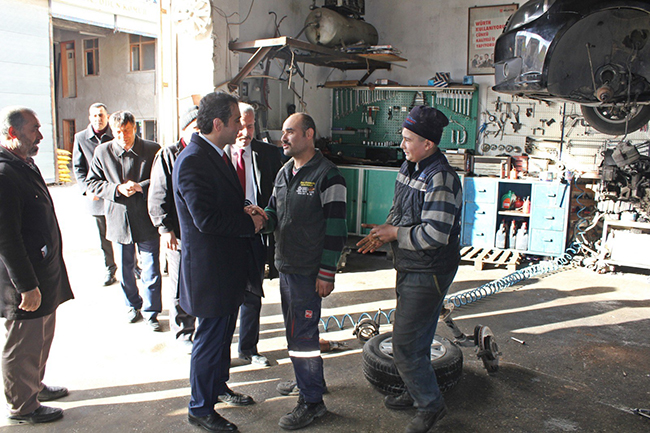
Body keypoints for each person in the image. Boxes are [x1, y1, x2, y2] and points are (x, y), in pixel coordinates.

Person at [357, 106, 463, 433]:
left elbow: (435, 235)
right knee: (419, 335)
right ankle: (415, 388)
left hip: (429, 269)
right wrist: (383, 231)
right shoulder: (409, 167)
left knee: (404, 344)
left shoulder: (440, 178)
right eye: (403, 137)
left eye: (408, 139)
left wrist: (395, 234)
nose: (402, 144)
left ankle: (431, 405)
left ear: (428, 144)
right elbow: (399, 209)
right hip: (409, 263)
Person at [173, 92, 267, 432]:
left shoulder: (216, 154)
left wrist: (244, 208)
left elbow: (220, 202)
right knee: (209, 339)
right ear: (218, 124)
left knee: (222, 336)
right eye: (235, 121)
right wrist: (248, 223)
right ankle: (200, 408)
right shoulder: (193, 160)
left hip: (226, 267)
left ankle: (217, 387)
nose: (241, 127)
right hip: (209, 271)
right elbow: (205, 219)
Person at [264, 112, 347, 430]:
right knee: (296, 332)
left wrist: (327, 271)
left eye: (290, 132)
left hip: (309, 270)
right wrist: (261, 218)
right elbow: (274, 210)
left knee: (303, 337)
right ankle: (309, 381)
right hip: (287, 266)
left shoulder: (328, 175)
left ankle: (312, 403)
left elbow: (337, 227)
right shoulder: (285, 171)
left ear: (309, 134)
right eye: (283, 133)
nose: (283, 138)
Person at [0, 107, 74, 424]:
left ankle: (34, 387)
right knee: (23, 344)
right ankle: (22, 406)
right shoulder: (4, 174)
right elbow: (6, 238)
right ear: (12, 133)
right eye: (34, 129)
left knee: (40, 338)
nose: (40, 136)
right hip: (25, 281)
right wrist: (26, 286)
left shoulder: (24, 165)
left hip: (44, 274)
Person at [86, 111, 163, 331]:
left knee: (151, 269)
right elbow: (92, 183)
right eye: (118, 132)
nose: (123, 136)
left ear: (135, 128)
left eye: (127, 131)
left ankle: (151, 312)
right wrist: (117, 189)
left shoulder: (152, 149)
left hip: (146, 217)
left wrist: (141, 186)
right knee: (125, 269)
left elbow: (162, 179)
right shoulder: (102, 151)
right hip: (118, 218)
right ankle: (132, 305)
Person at [225, 102, 283, 367]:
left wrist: (264, 218)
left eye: (250, 126)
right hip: (226, 234)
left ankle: (248, 349)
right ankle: (220, 351)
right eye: (240, 126)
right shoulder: (218, 154)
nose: (245, 133)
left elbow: (277, 194)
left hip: (256, 233)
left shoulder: (268, 154)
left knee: (252, 293)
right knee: (226, 296)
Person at [148, 105, 199, 349]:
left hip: (201, 232)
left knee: (198, 283)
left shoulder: (206, 153)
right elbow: (158, 194)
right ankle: (183, 332)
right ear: (184, 130)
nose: (199, 133)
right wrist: (164, 228)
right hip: (177, 234)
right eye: (195, 128)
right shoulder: (168, 155)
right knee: (180, 284)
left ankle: (199, 328)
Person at [72, 103, 118, 286]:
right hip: (96, 196)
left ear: (107, 117)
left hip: (116, 193)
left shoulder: (116, 134)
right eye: (95, 115)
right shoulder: (81, 138)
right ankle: (110, 269)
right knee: (104, 237)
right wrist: (87, 189)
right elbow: (78, 168)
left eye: (101, 115)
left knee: (125, 232)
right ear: (89, 117)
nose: (98, 119)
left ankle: (134, 266)